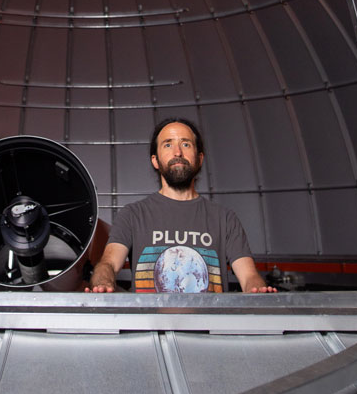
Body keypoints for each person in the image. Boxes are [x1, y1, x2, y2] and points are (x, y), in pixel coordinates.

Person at [87, 118, 276, 294]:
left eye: (186, 144)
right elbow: (109, 263)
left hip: (210, 328)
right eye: (168, 144)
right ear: (155, 160)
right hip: (151, 327)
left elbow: (249, 276)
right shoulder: (132, 215)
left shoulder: (225, 219)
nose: (178, 152)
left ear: (200, 158)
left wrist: (258, 291)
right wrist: (103, 283)